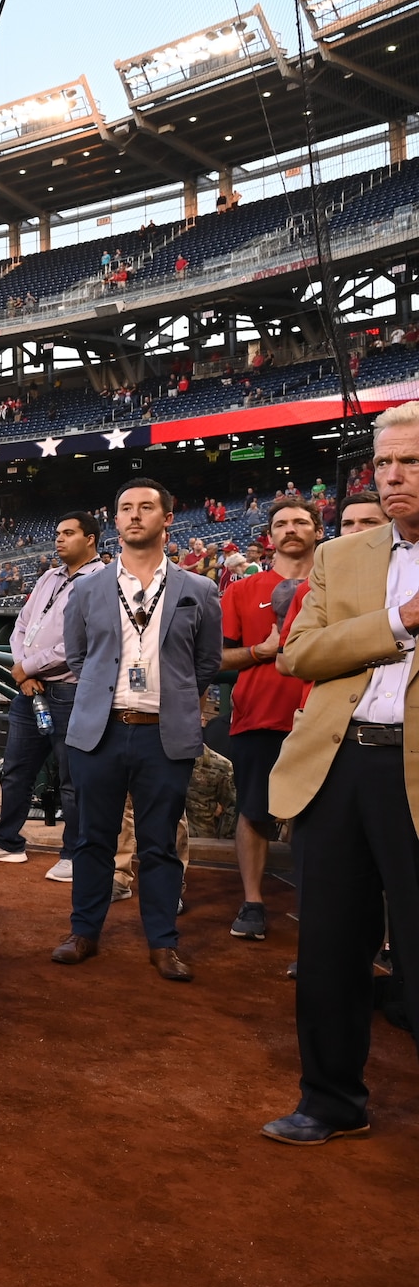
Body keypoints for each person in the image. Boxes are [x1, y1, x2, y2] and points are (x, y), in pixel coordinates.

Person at [260, 404, 419, 1144]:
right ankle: (331, 1099)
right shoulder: (341, 555)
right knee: (328, 945)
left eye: (410, 463)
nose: (393, 477)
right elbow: (299, 655)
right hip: (339, 762)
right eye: (384, 464)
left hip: (413, 772)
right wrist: (399, 623)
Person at [52, 478, 220, 981]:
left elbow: (207, 662)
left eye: (146, 507)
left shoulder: (199, 589)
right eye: (126, 508)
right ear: (116, 519)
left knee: (159, 844)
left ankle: (163, 943)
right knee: (91, 840)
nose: (134, 515)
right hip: (100, 731)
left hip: (163, 735)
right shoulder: (86, 589)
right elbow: (79, 657)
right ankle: (84, 931)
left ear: (167, 519)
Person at [0, 512, 103, 872]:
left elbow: (80, 645)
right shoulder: (48, 577)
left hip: (71, 693)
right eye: (57, 532)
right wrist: (23, 672)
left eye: (69, 533)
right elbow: (22, 626)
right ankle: (7, 841)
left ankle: (74, 855)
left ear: (91, 539)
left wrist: (29, 666)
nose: (59, 539)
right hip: (31, 691)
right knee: (16, 771)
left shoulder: (101, 580)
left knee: (73, 780)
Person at [216, 499, 317, 943]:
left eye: (301, 522)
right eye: (281, 524)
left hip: (322, 718)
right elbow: (215, 658)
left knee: (318, 820)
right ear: (269, 536)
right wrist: (261, 651)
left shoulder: (336, 583)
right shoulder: (242, 590)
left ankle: (317, 910)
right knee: (254, 811)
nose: (291, 529)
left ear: (318, 530)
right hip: (259, 716)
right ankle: (253, 901)